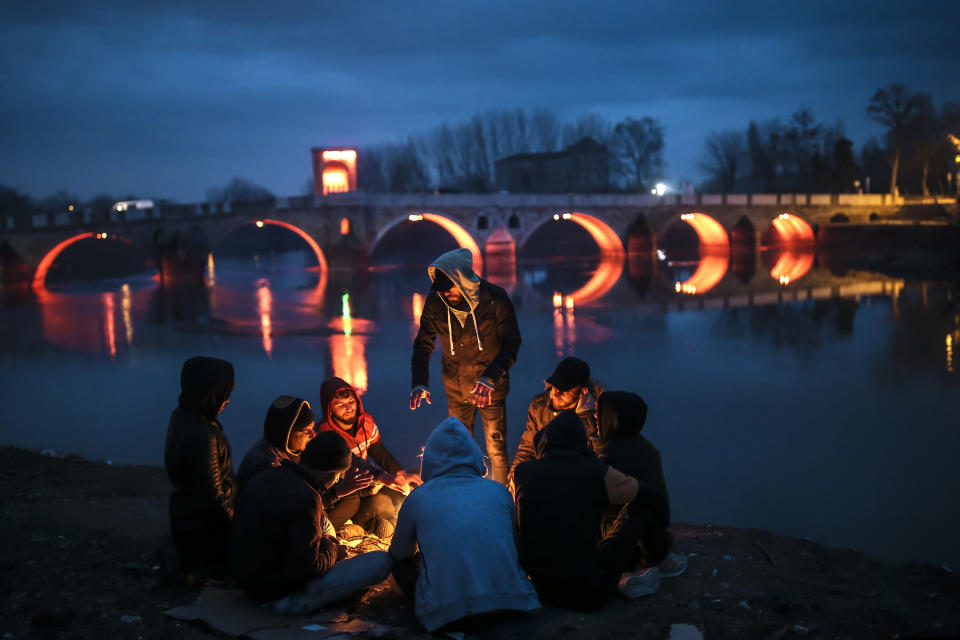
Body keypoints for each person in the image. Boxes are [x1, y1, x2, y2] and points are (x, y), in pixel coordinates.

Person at [389, 417, 540, 633]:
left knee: (398, 562)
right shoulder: (499, 491)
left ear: (430, 457)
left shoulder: (418, 497)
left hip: (449, 616)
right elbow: (514, 547)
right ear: (474, 454)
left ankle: (438, 602)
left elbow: (398, 553)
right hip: (513, 605)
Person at [232, 432, 393, 612]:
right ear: (329, 473)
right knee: (381, 561)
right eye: (339, 475)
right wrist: (333, 551)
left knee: (323, 526)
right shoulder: (307, 497)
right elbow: (308, 568)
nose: (339, 480)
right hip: (278, 596)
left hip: (248, 585)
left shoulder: (269, 475)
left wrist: (321, 543)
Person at [513, 411, 657, 609]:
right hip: (589, 594)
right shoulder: (596, 471)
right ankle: (645, 563)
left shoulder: (522, 473)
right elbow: (650, 495)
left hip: (539, 591)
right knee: (640, 507)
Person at [409, 248, 521, 485]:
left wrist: (490, 377)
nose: (446, 292)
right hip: (456, 387)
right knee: (459, 450)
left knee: (496, 448)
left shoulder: (495, 299)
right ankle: (465, 496)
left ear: (464, 279)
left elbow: (512, 343)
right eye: (441, 288)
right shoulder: (435, 302)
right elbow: (423, 345)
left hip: (490, 389)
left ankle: (501, 499)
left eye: (450, 286)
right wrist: (420, 381)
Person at [595, 391, 685, 577]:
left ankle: (647, 563)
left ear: (614, 418)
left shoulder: (619, 454)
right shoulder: (640, 447)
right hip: (638, 536)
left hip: (628, 540)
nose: (595, 416)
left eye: (600, 412)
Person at [317, 377, 420, 538]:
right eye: (340, 405)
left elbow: (378, 451)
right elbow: (348, 466)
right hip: (345, 493)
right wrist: (375, 483)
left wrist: (399, 473)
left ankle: (391, 521)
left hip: (367, 480)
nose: (348, 408)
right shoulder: (325, 435)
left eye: (351, 401)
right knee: (382, 503)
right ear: (330, 409)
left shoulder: (366, 422)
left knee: (412, 480)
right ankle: (355, 528)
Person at [164, 356, 237, 575]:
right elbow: (215, 500)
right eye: (225, 393)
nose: (228, 400)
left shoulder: (181, 417)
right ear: (210, 392)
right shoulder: (204, 436)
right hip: (207, 534)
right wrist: (242, 526)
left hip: (186, 524)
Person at [508, 356, 604, 484]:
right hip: (545, 476)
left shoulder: (597, 416)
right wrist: (513, 480)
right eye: (554, 387)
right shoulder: (539, 406)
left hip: (578, 482)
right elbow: (527, 449)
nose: (556, 394)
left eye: (564, 390)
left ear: (582, 391)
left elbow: (599, 461)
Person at [236, 396, 316, 489]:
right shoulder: (269, 468)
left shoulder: (287, 452)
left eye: (312, 428)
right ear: (285, 433)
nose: (313, 435)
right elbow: (287, 501)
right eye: (305, 431)